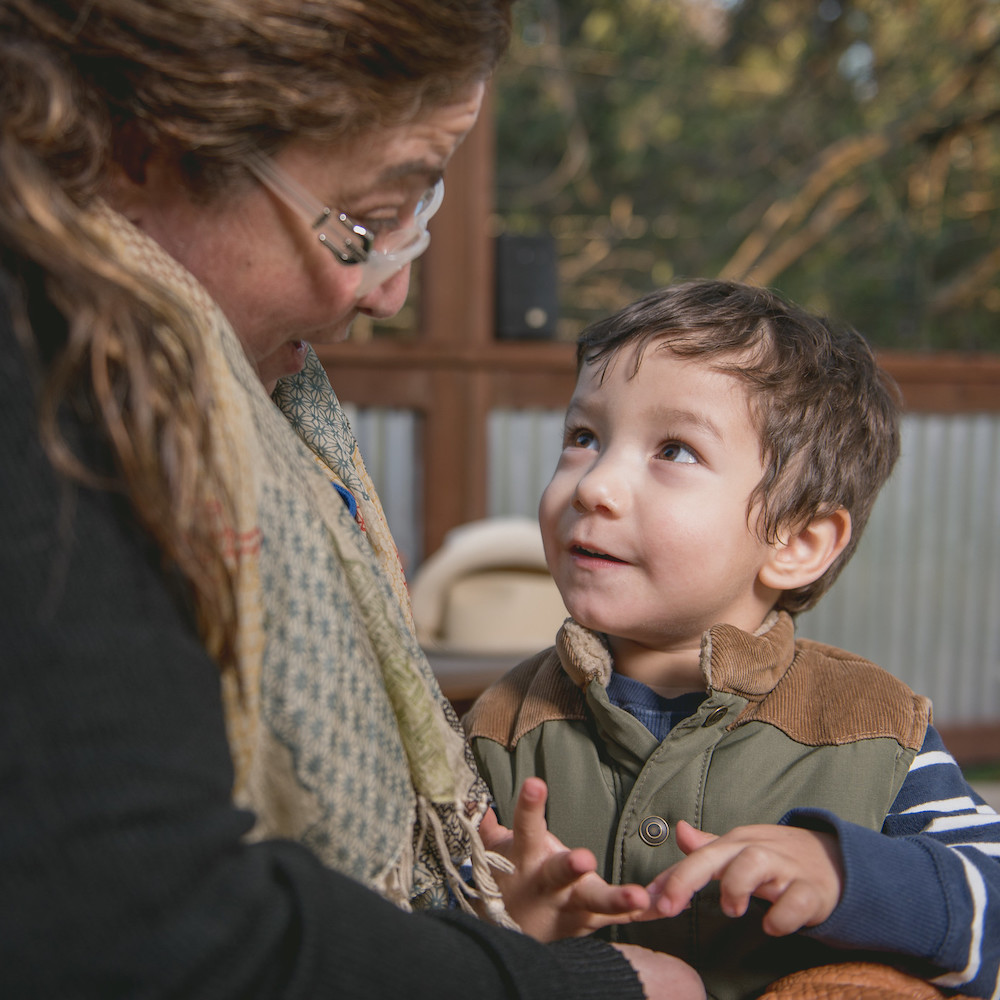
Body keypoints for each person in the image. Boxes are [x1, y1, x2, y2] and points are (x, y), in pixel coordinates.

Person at [0, 1, 708, 996]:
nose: (387, 294)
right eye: (367, 221)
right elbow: (140, 927)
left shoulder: (864, 721)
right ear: (137, 145)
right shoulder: (42, 380)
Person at [465, 279, 1000, 999]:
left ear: (799, 541)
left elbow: (988, 908)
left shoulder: (875, 727)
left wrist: (846, 873)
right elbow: (410, 930)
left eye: (675, 450)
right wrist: (506, 923)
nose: (595, 485)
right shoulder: (499, 728)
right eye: (584, 437)